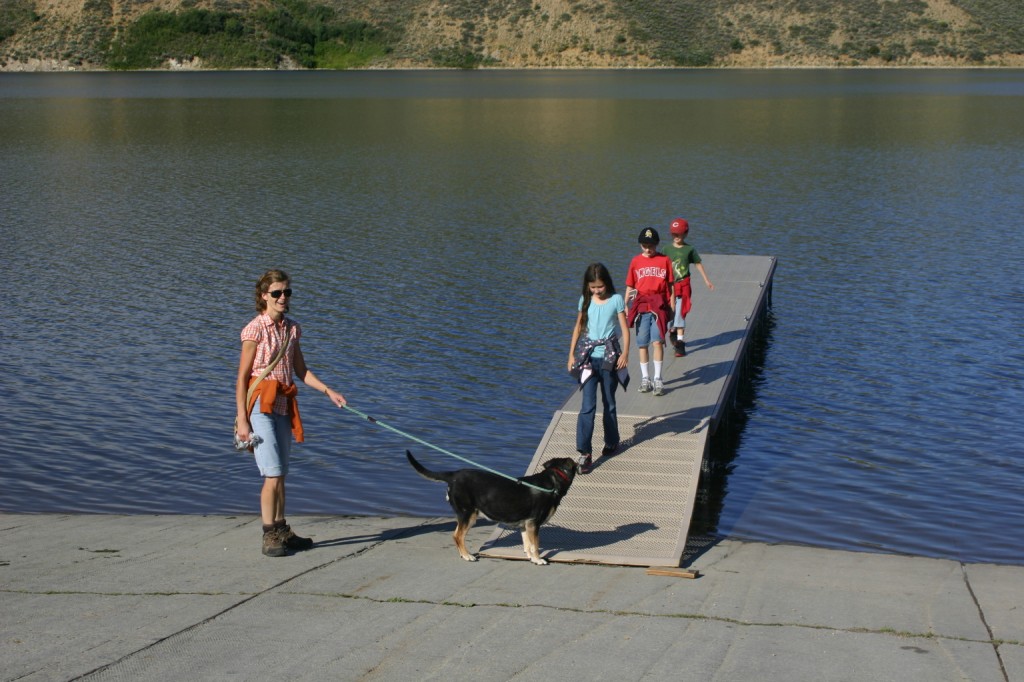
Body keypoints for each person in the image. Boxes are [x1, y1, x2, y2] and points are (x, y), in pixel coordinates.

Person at [235, 269, 347, 557]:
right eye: (276, 293)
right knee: (272, 475)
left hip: (284, 404)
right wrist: (243, 420)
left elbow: (301, 371)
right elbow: (242, 377)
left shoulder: (292, 328)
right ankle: (268, 534)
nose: (283, 297)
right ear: (264, 296)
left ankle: (282, 529)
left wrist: (328, 391)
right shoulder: (254, 329)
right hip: (260, 405)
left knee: (281, 473)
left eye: (287, 292)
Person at [568, 263, 630, 474]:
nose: (596, 291)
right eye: (593, 287)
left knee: (609, 402)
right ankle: (585, 452)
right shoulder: (585, 300)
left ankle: (611, 441)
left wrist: (625, 354)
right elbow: (578, 327)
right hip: (587, 358)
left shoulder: (616, 299)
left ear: (607, 284)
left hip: (609, 358)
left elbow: (625, 328)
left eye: (600, 287)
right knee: (587, 406)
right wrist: (571, 354)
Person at [625, 227, 674, 396]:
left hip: (659, 305)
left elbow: (670, 287)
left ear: (657, 244)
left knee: (658, 341)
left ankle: (658, 378)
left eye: (651, 245)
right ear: (640, 245)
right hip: (641, 306)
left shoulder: (664, 260)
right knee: (642, 343)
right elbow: (631, 286)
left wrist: (672, 308)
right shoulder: (636, 262)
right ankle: (646, 378)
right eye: (645, 245)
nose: (648, 249)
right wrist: (625, 304)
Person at [662, 217, 714, 357]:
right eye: (674, 234)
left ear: (685, 234)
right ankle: (672, 331)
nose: (676, 236)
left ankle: (680, 344)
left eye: (679, 234)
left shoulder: (689, 249)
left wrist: (706, 280)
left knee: (681, 313)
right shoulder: (666, 249)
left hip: (683, 286)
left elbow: (698, 264)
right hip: (669, 288)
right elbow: (660, 266)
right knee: (670, 315)